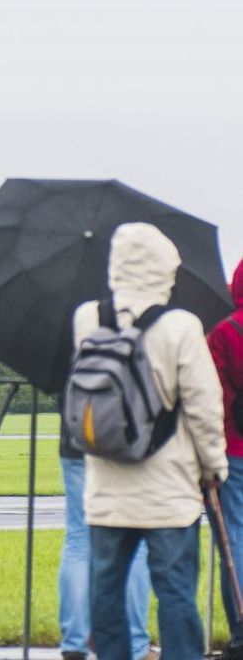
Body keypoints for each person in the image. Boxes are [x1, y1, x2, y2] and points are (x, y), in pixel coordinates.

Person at [72, 223, 227, 660]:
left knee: (107, 592)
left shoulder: (88, 318)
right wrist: (213, 466)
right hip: (168, 488)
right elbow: (202, 405)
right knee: (175, 591)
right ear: (164, 269)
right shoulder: (180, 325)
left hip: (106, 485)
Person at [58, 396, 154, 660]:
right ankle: (135, 644)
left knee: (78, 540)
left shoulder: (69, 352)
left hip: (77, 435)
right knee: (136, 540)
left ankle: (74, 641)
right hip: (129, 437)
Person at [207, 258, 243, 659]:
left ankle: (241, 627)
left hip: (233, 448)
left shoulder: (223, 332)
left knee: (234, 537)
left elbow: (211, 396)